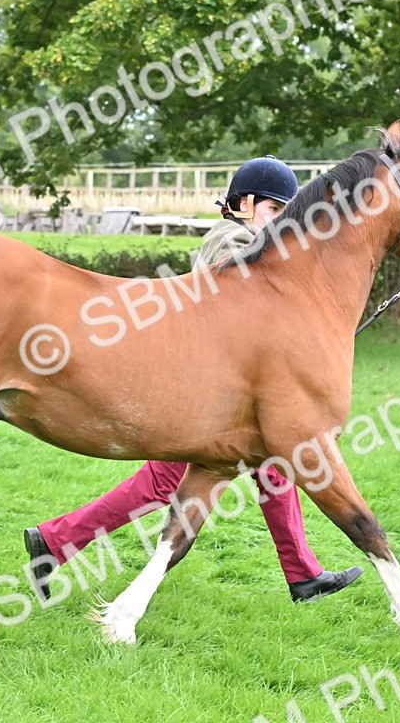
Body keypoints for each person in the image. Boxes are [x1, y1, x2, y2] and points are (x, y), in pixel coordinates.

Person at [24, 156, 362, 603]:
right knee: (163, 483)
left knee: (276, 467)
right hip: (197, 398)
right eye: (272, 209)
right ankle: (55, 539)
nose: (281, 219)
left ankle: (302, 573)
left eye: (286, 210)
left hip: (231, 396)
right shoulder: (230, 240)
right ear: (242, 205)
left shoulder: (258, 244)